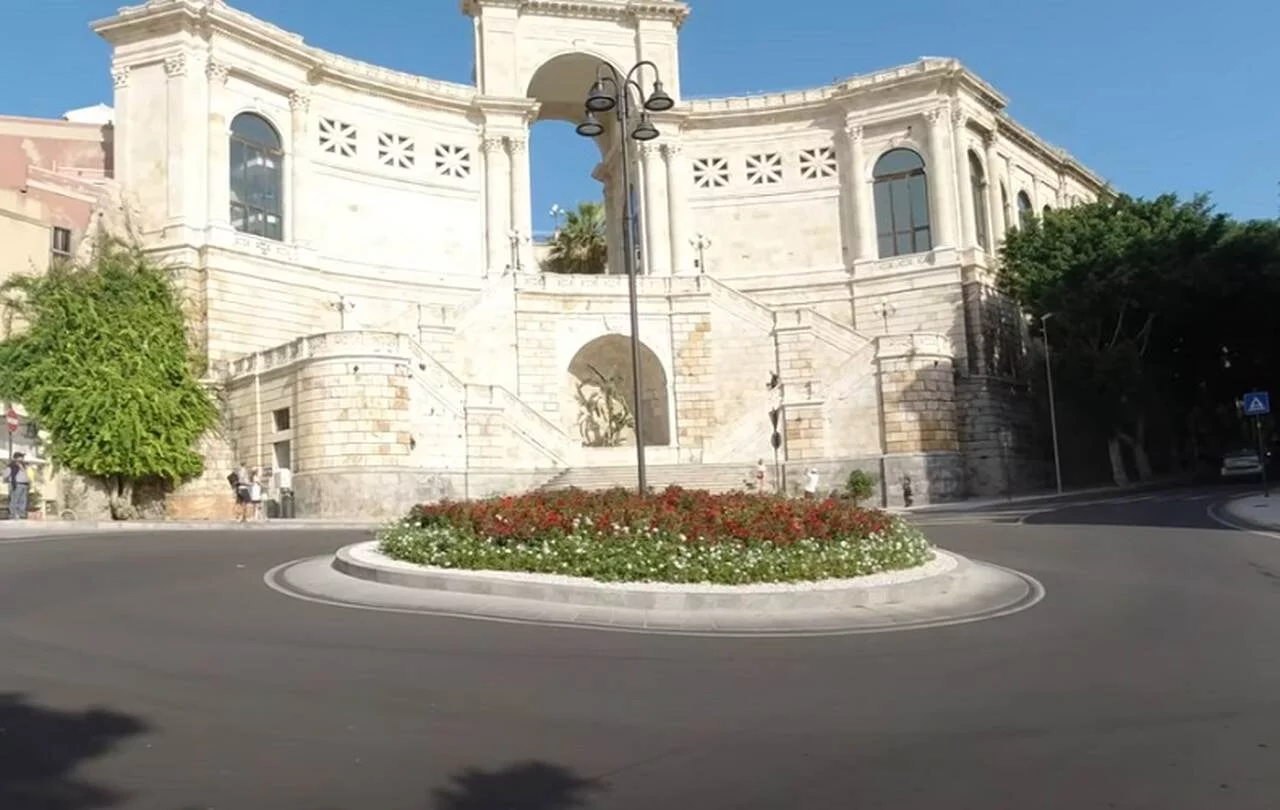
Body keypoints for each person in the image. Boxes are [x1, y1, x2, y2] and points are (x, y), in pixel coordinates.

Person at [6, 452, 30, 520]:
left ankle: (21, 513)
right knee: (15, 499)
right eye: (21, 457)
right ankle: (14, 514)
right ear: (16, 458)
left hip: (24, 484)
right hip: (17, 484)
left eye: (22, 457)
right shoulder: (12, 465)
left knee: (23, 500)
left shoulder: (24, 465)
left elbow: (26, 474)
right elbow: (6, 474)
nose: (22, 458)